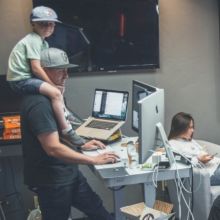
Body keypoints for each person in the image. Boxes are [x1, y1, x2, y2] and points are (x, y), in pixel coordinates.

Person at [21, 47, 119, 220]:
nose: (67, 75)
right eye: (61, 70)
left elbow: (63, 129)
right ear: (43, 71)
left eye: (67, 70)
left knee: (99, 212)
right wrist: (93, 159)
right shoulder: (39, 104)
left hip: (68, 173)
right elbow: (53, 148)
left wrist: (81, 143)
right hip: (52, 180)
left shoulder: (53, 96)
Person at [7, 6, 79, 148]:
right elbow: (36, 68)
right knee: (55, 92)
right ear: (33, 24)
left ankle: (64, 112)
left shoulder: (43, 42)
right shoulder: (33, 40)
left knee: (60, 89)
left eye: (51, 23)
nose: (48, 27)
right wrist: (52, 84)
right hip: (20, 80)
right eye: (43, 23)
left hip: (27, 77)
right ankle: (67, 130)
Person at [168, 112, 220, 186]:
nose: (192, 130)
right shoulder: (172, 145)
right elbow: (181, 163)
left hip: (215, 165)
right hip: (207, 174)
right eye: (189, 128)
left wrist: (204, 155)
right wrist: (199, 160)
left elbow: (200, 151)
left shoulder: (188, 140)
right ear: (180, 128)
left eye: (192, 127)